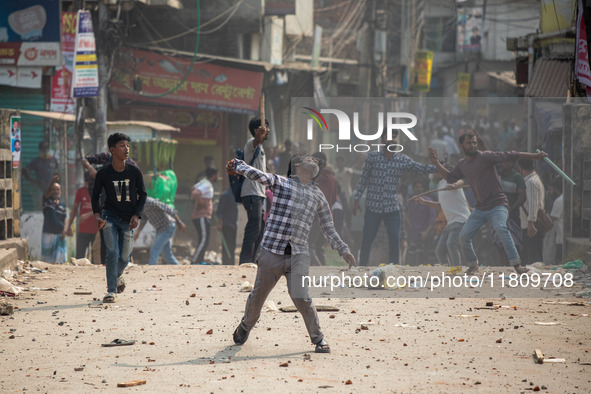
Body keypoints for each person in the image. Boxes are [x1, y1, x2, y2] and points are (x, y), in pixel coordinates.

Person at [227, 153, 356, 354]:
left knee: (302, 298)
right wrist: (238, 165)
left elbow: (328, 227)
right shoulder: (280, 182)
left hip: (299, 255)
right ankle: (245, 325)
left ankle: (318, 338)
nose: (314, 161)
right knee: (258, 296)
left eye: (316, 161)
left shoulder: (318, 195)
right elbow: (259, 175)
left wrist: (344, 250)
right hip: (272, 251)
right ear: (297, 165)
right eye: (309, 159)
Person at [428, 131, 547, 275]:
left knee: (501, 229)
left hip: (498, 205)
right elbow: (450, 178)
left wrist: (535, 156)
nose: (472, 146)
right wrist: (436, 163)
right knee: (463, 237)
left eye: (474, 143)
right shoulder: (462, 164)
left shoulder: (486, 157)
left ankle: (517, 265)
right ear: (461, 146)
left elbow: (511, 154)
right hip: (480, 208)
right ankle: (473, 264)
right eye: (469, 143)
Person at [353, 131, 437, 266]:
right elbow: (363, 179)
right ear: (382, 141)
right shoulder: (372, 157)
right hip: (373, 206)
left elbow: (420, 168)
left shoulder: (402, 160)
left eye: (394, 138)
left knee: (394, 239)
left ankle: (393, 269)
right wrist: (357, 200)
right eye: (388, 137)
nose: (392, 140)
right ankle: (362, 267)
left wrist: (437, 166)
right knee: (367, 239)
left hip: (392, 207)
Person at [92, 133, 147, 304]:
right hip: (109, 216)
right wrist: (97, 215)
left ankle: (117, 276)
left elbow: (143, 194)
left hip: (128, 219)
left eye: (127, 146)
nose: (126, 149)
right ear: (113, 150)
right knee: (112, 252)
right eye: (122, 146)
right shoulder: (104, 173)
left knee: (124, 257)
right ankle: (110, 291)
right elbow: (95, 196)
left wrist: (137, 215)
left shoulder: (134, 172)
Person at [415, 167, 471, 267]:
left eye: (438, 171)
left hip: (461, 220)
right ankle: (447, 268)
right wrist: (424, 202)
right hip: (450, 223)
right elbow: (440, 206)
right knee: (439, 251)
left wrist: (454, 185)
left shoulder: (451, 179)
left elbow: (461, 181)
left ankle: (456, 268)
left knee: (451, 244)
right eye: (436, 172)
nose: (436, 174)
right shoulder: (440, 185)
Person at [239, 118, 269, 265]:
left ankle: (253, 261)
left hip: (259, 193)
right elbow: (256, 140)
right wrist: (259, 135)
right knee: (254, 227)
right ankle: (245, 261)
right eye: (265, 128)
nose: (268, 131)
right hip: (251, 192)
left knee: (260, 229)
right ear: (257, 131)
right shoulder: (251, 144)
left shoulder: (261, 149)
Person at [134, 197, 186, 266]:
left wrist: (179, 222)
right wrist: (138, 232)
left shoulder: (150, 202)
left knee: (154, 250)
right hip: (160, 230)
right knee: (167, 255)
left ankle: (151, 271)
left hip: (167, 227)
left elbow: (168, 209)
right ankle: (179, 268)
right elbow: (144, 219)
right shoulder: (141, 207)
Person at [308, 152, 338, 266]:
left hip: (316, 217)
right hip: (328, 217)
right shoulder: (332, 178)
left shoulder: (315, 178)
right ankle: (325, 273)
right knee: (319, 247)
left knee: (309, 246)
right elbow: (335, 199)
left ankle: (320, 271)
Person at [495, 160, 526, 265]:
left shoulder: (517, 178)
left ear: (511, 163)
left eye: (505, 161)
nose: (502, 163)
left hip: (512, 216)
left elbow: (522, 197)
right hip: (498, 216)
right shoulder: (497, 176)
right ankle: (502, 269)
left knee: (514, 243)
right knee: (500, 244)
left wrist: (510, 209)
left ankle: (517, 266)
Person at [65, 172, 99, 261]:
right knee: (80, 256)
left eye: (90, 182)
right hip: (83, 229)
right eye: (86, 182)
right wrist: (69, 225)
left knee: (95, 256)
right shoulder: (81, 192)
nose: (88, 185)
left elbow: (102, 208)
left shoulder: (99, 192)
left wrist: (88, 215)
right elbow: (74, 209)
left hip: (96, 229)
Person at [518, 158, 545, 264]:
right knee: (532, 254)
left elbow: (533, 204)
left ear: (520, 168)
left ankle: (534, 278)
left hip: (531, 225)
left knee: (533, 255)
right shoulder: (535, 179)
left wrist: (530, 223)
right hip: (531, 223)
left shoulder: (531, 182)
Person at [191, 167, 218, 264]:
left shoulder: (203, 182)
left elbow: (193, 188)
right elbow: (195, 192)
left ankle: (200, 260)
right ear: (213, 176)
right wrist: (201, 202)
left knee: (204, 239)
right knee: (203, 239)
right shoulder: (207, 184)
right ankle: (195, 261)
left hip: (203, 216)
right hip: (202, 216)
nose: (217, 177)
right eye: (216, 175)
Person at [41, 175, 67, 264]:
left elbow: (64, 219)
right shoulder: (47, 201)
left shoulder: (62, 205)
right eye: (53, 189)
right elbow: (47, 192)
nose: (55, 191)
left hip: (59, 235)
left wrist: (64, 231)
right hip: (48, 233)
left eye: (57, 189)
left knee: (59, 260)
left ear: (60, 191)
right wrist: (52, 181)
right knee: (47, 259)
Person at [217, 187, 238, 265]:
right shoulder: (225, 195)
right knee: (227, 247)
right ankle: (226, 263)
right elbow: (220, 211)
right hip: (226, 225)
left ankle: (231, 263)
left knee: (232, 246)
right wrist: (220, 223)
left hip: (233, 224)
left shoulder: (234, 195)